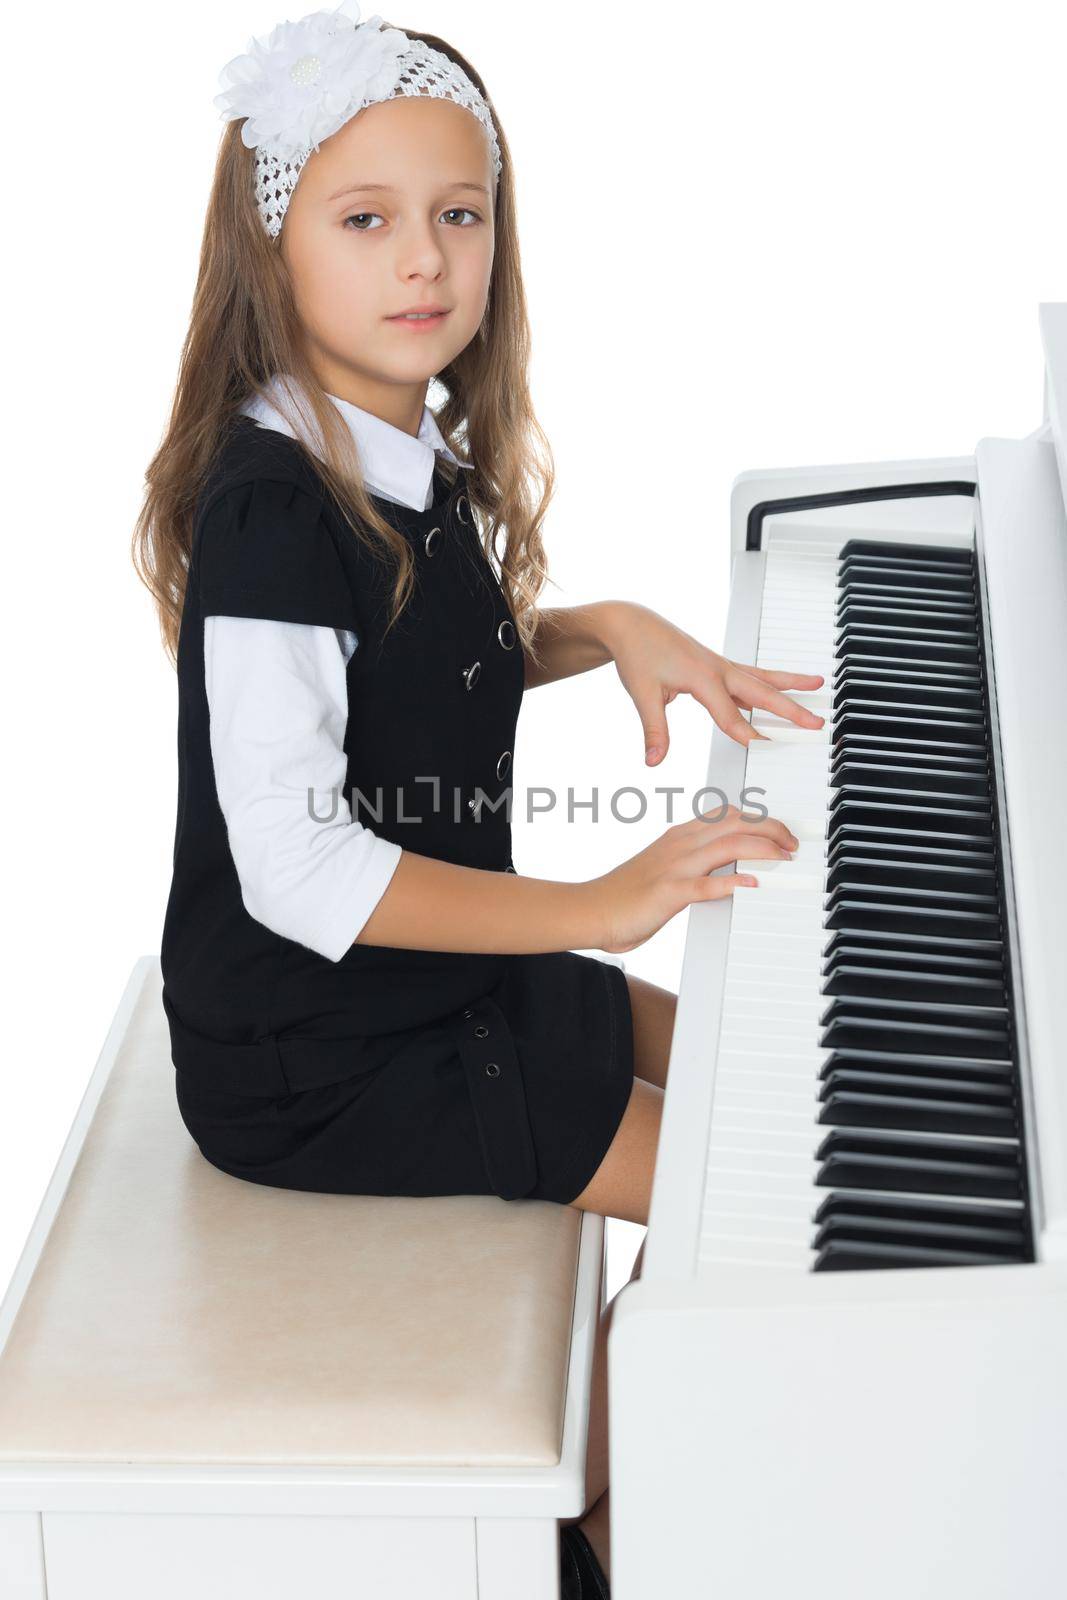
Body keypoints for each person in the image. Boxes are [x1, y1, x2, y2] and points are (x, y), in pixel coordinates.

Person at [132, 4, 825, 1589]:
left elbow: (426, 671)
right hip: (314, 1058)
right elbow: (298, 871)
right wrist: (603, 900)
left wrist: (612, 630)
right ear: (271, 247)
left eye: (460, 214)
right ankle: (612, 1516)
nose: (424, 262)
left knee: (748, 1068)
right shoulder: (267, 516)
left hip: (429, 990)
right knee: (750, 1200)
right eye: (366, 221)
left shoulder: (390, 438)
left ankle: (610, 1445)